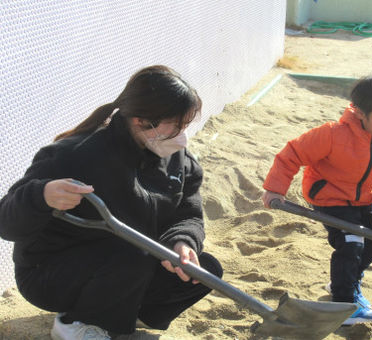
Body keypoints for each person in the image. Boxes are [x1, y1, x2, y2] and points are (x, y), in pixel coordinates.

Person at [0, 65, 223, 340]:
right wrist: (41, 195)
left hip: (126, 267)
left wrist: (183, 241)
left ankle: (126, 315)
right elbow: (6, 222)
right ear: (141, 120)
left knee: (206, 271)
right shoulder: (75, 155)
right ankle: (74, 324)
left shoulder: (178, 160)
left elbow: (188, 214)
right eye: (176, 126)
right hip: (50, 273)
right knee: (132, 255)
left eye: (185, 126)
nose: (182, 137)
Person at [261, 73, 372, 325]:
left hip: (364, 199)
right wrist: (275, 189)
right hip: (329, 196)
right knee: (351, 243)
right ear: (360, 113)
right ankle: (344, 303)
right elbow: (292, 154)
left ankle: (347, 281)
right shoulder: (333, 134)